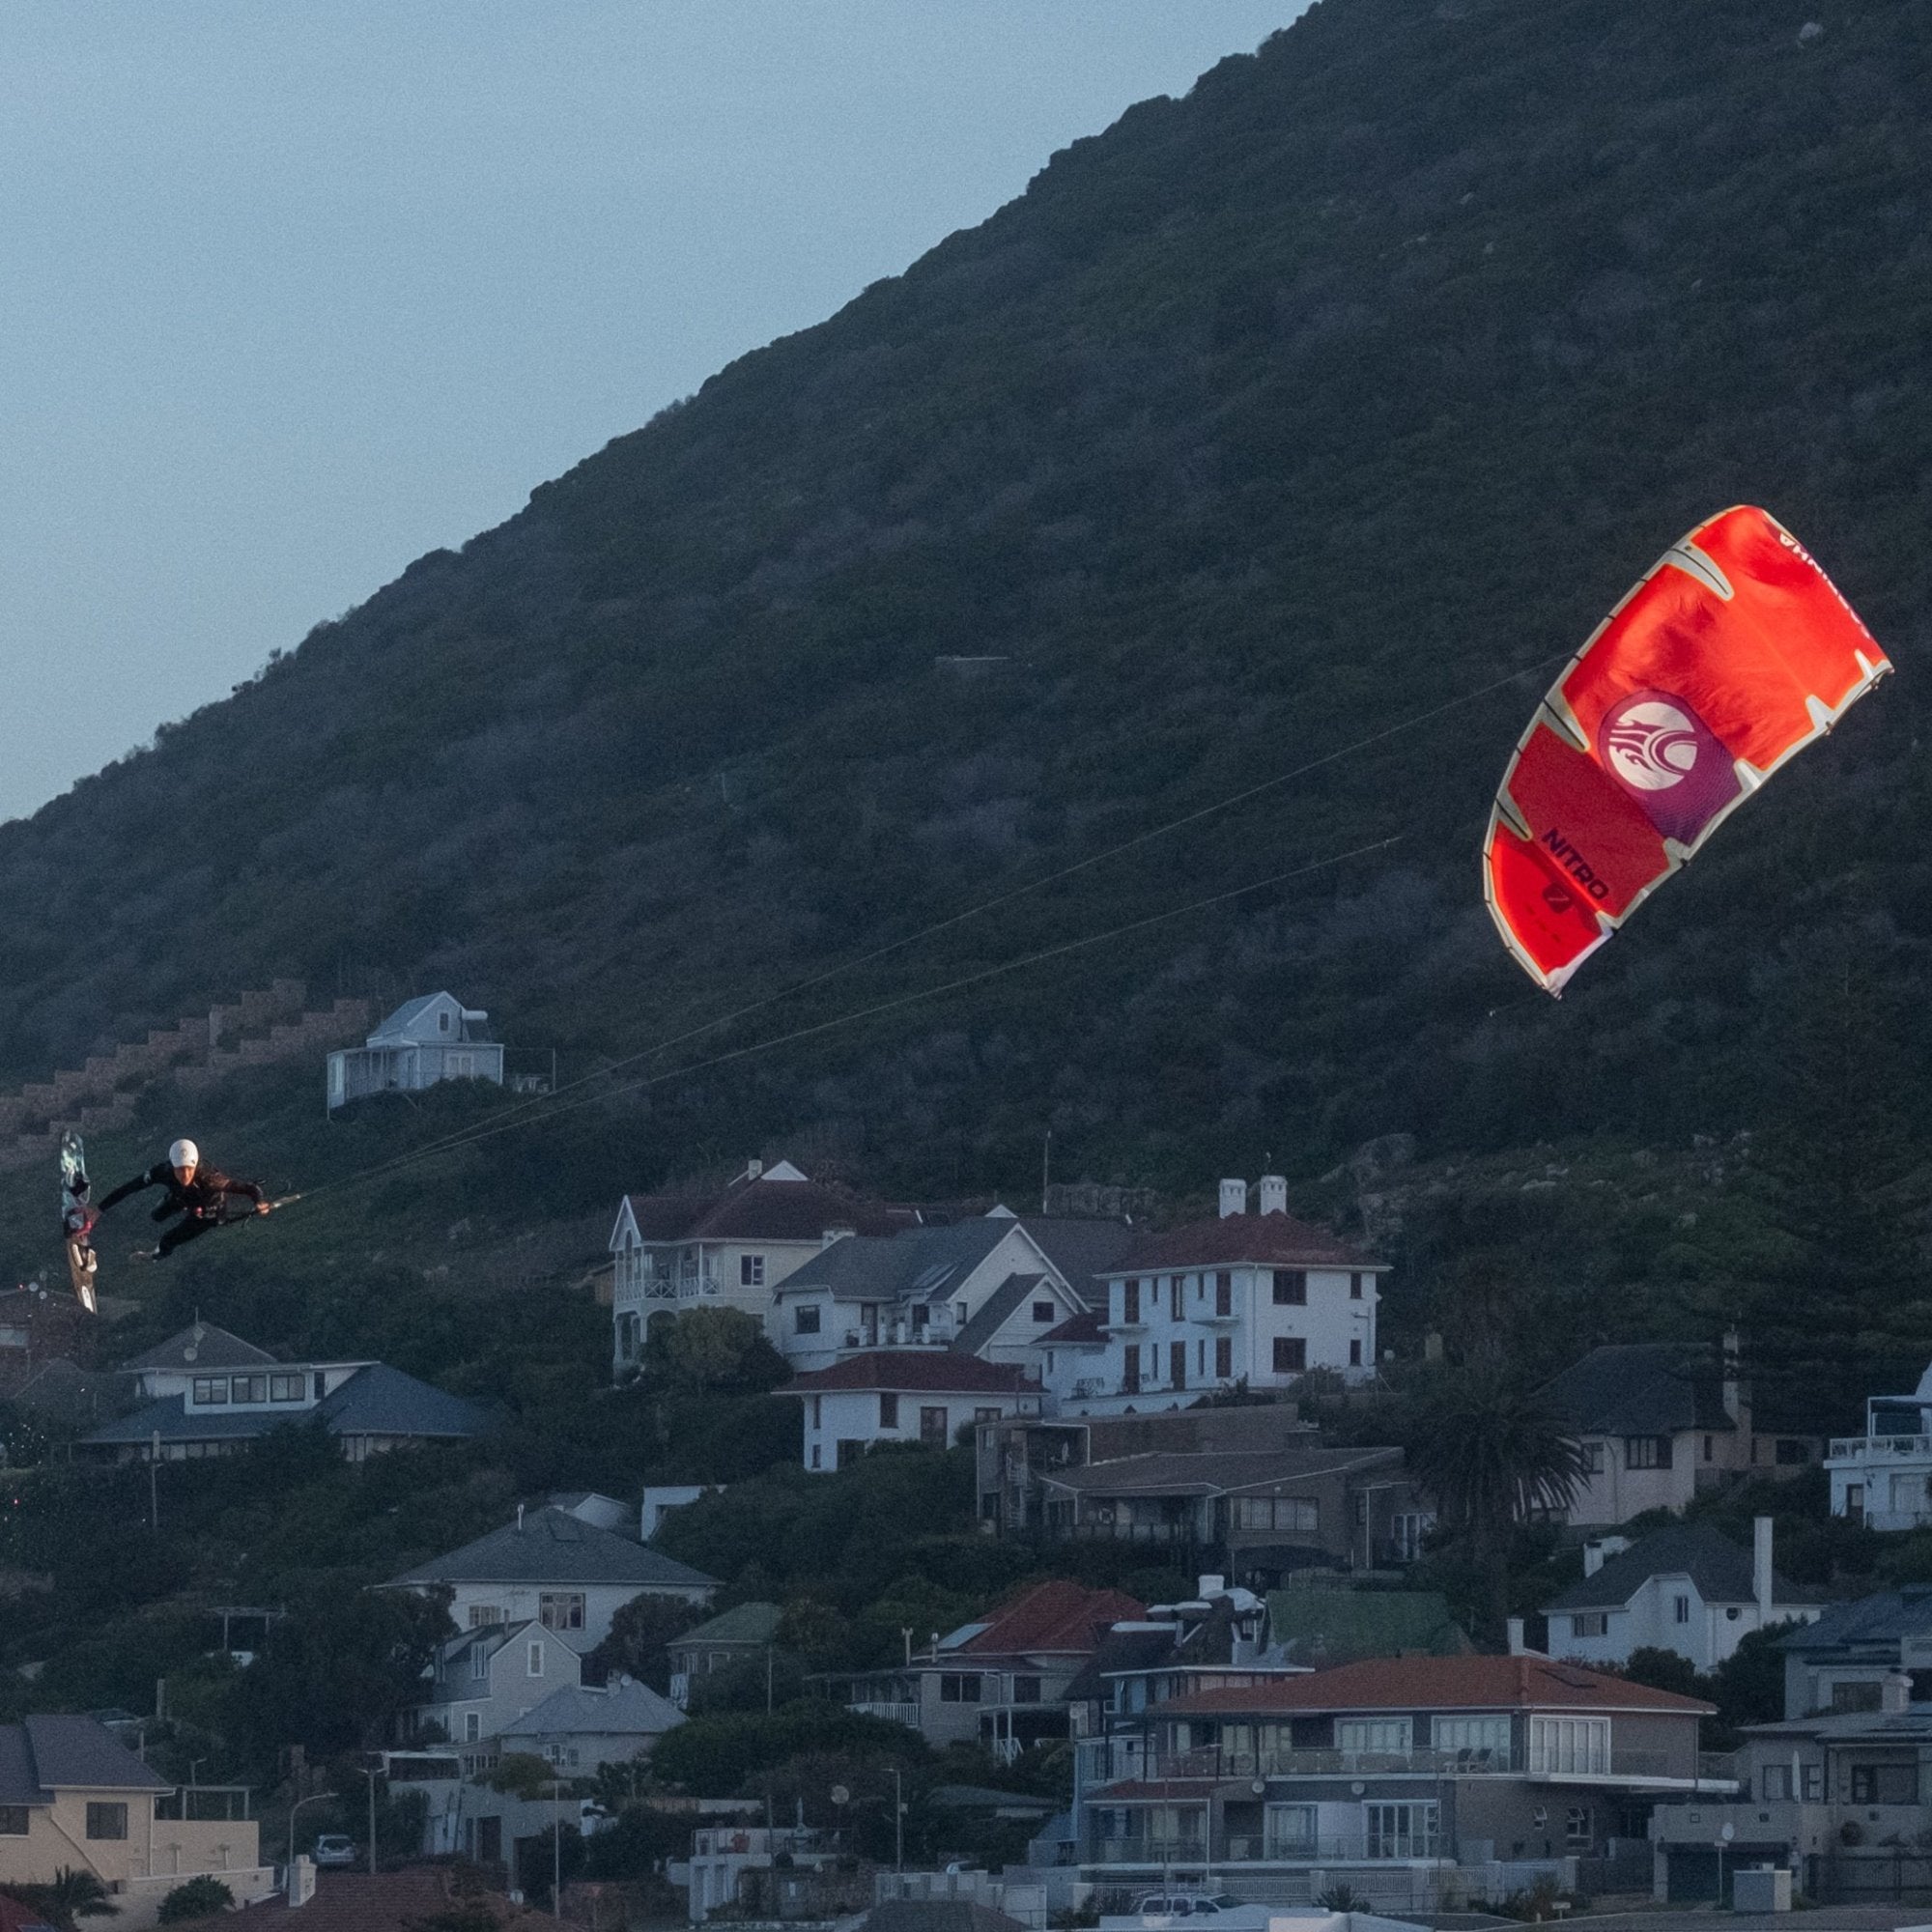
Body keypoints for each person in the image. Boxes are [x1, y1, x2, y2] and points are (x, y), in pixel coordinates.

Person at [98, 1137, 270, 1259]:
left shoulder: (209, 1179)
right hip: (181, 1198)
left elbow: (249, 1188)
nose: (185, 1175)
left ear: (195, 1166)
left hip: (209, 1211)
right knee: (156, 1215)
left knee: (168, 1240)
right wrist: (99, 1209)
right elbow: (130, 1187)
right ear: (172, 1166)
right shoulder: (163, 1171)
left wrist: (259, 1202)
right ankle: (179, 1205)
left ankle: (154, 1256)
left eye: (189, 1169)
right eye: (180, 1169)